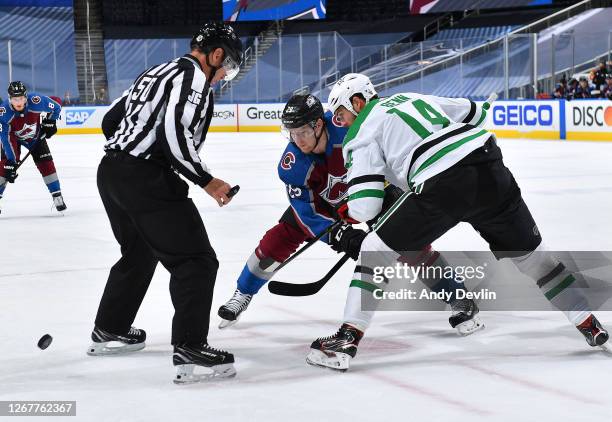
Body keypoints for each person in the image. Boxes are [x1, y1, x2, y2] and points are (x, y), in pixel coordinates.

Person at [307, 73, 610, 371]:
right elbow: (474, 112)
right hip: (490, 166)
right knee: (535, 259)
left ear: (358, 102)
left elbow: (366, 206)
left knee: (374, 249)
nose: (341, 122)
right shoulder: (413, 98)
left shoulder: (360, 131)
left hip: (443, 182)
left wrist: (350, 210)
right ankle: (587, 321)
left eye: (342, 113)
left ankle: (347, 339)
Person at [217, 93, 484, 337]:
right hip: (322, 206)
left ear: (318, 125)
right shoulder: (292, 164)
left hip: (371, 192)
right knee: (278, 238)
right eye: (291, 133)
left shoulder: (347, 129)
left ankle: (458, 297)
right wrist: (340, 235)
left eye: (302, 132)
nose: (297, 140)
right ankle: (242, 293)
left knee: (410, 245)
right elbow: (306, 212)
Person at [88, 22, 244, 384]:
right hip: (145, 179)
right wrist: (206, 180)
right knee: (196, 260)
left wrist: (132, 155)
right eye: (228, 66)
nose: (224, 75)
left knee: (140, 252)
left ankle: (110, 328)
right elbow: (173, 131)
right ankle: (190, 345)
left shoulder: (158, 71)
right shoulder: (194, 79)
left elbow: (113, 120)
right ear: (216, 54)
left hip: (111, 172)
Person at [0, 81, 65, 214]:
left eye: (21, 98)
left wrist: (51, 121)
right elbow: (6, 139)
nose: (18, 102)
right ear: (9, 99)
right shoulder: (4, 112)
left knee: (47, 164)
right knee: (6, 167)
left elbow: (56, 105)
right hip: (13, 139)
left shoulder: (36, 100)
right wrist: (11, 161)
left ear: (26, 97)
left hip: (35, 137)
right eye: (15, 99)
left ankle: (57, 195)